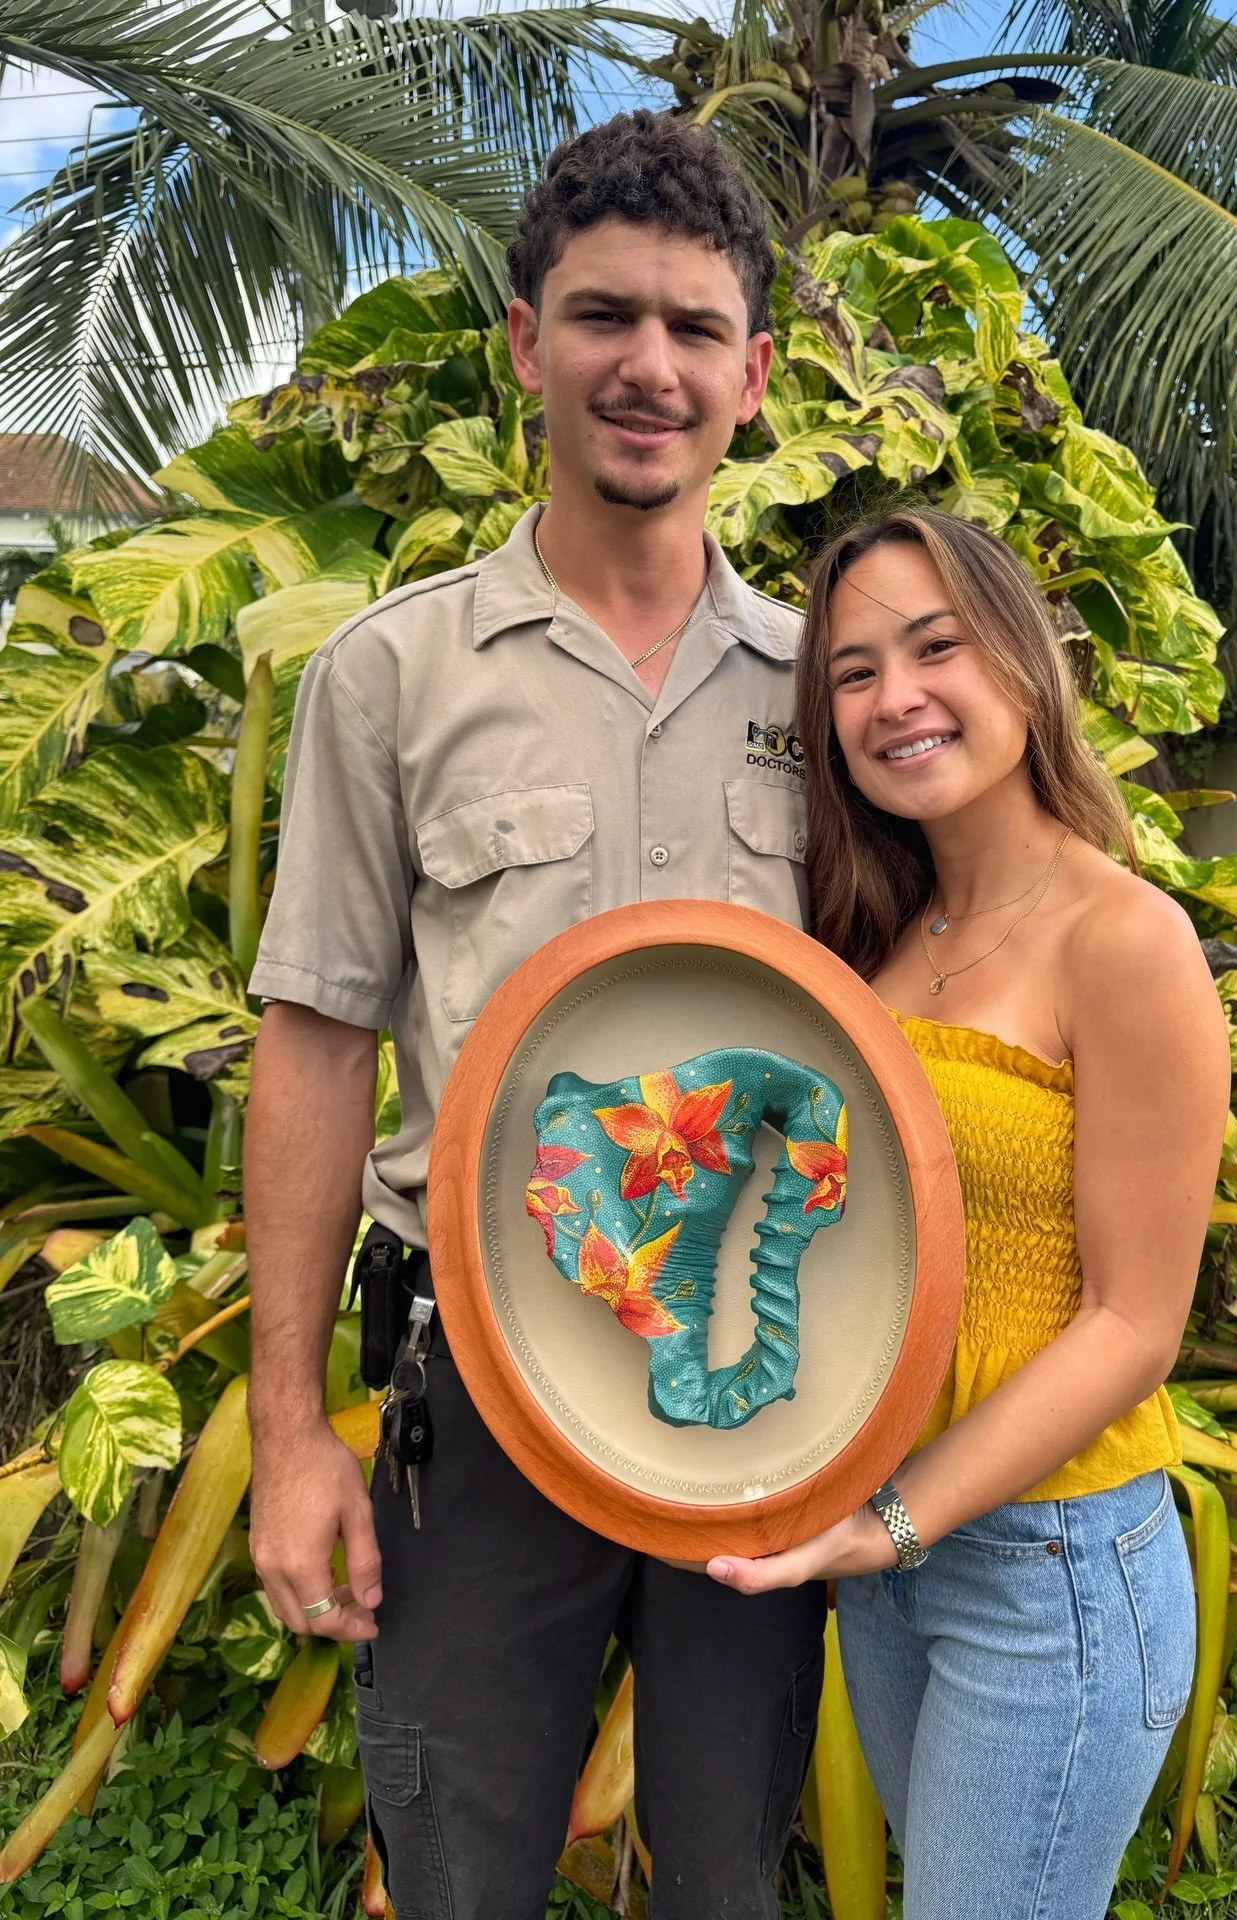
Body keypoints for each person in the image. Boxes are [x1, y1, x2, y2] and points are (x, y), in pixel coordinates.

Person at [243, 111, 825, 1920]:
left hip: (760, 1383)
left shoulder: (840, 696)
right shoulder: (390, 675)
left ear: (753, 374)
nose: (647, 368)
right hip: (473, 1388)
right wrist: (287, 1432)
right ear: (524, 343)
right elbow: (322, 1039)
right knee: (464, 1860)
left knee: (729, 1866)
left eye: (693, 327)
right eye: (600, 318)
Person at [706, 506, 1231, 1919]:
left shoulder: (1124, 940)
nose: (898, 699)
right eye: (855, 672)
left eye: (936, 647)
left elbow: (1133, 1326)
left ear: (1020, 659)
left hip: (1047, 1568)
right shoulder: (873, 938)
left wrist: (892, 1523)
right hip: (890, 1554)